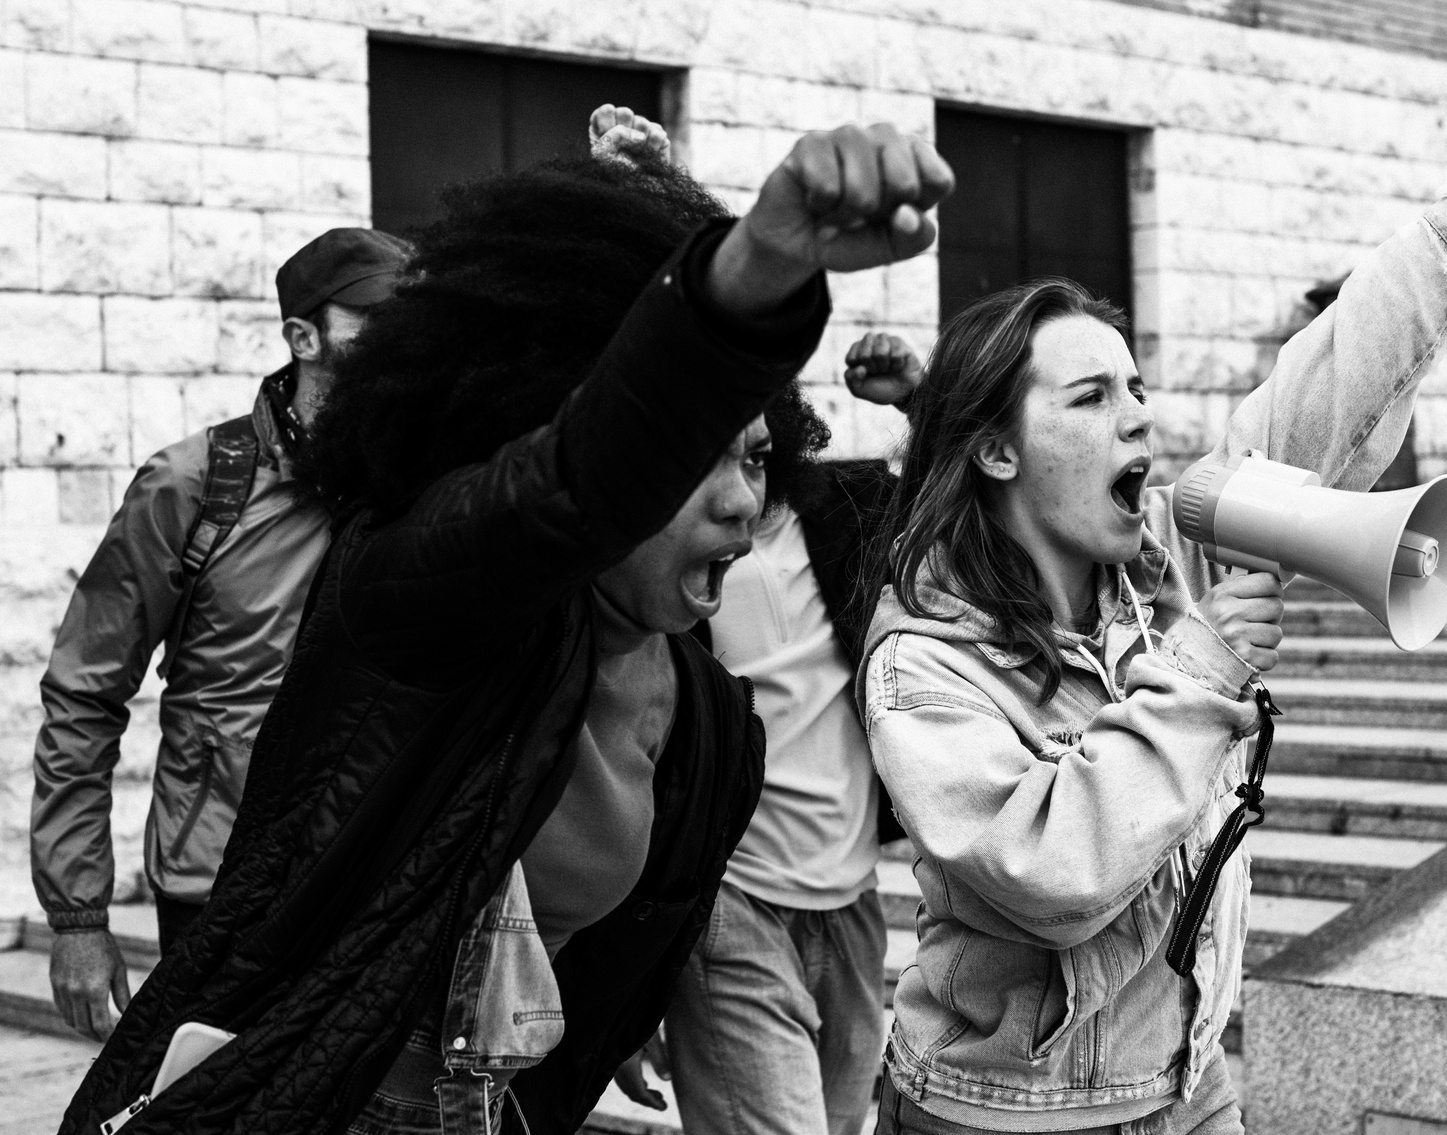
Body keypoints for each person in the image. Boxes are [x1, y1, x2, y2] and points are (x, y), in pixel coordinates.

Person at [55, 122, 953, 1135]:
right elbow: (573, 478)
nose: (739, 501)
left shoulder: (706, 719)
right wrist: (755, 268)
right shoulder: (421, 601)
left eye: (753, 458)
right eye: (689, 455)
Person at [860, 106, 1447, 1135]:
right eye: (1090, 397)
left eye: (1135, 388)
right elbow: (1053, 872)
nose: (1137, 415)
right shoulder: (923, 664)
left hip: (1185, 1081)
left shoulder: (1158, 567)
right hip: (1004, 1110)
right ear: (995, 451)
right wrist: (1202, 668)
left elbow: (1315, 396)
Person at [579, 103, 926, 1135]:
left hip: (853, 905)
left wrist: (919, 396)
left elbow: (990, 490)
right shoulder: (653, 552)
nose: (735, 481)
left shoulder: (846, 510)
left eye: (755, 443)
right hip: (728, 909)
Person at [29, 227, 410, 1041]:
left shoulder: (414, 486)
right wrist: (77, 915)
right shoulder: (196, 484)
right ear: (304, 337)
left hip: (369, 874)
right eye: (373, 321)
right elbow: (84, 690)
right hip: (216, 879)